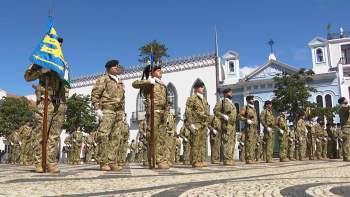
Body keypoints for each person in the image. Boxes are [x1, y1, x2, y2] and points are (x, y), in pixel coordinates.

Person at [24, 37, 69, 173]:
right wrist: (41, 71)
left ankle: (50, 163)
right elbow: (27, 76)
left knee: (54, 134)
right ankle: (39, 163)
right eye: (56, 44)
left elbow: (66, 84)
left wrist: (64, 101)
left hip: (58, 101)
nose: (59, 46)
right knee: (42, 133)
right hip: (45, 100)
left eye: (60, 44)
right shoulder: (41, 60)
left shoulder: (63, 63)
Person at [132, 66, 168, 169]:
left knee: (161, 138)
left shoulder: (163, 86)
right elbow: (134, 84)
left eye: (160, 70)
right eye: (157, 70)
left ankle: (160, 160)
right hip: (153, 112)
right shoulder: (150, 83)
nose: (160, 71)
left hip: (162, 113)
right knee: (153, 137)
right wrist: (148, 81)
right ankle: (152, 160)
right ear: (152, 73)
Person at [91, 60, 125, 171]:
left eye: (117, 66)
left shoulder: (120, 82)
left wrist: (122, 113)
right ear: (108, 68)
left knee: (116, 137)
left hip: (118, 112)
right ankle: (104, 162)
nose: (116, 67)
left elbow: (122, 98)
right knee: (104, 136)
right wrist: (97, 109)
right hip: (107, 111)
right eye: (114, 66)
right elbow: (95, 94)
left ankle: (112, 161)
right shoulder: (103, 80)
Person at [185, 81, 209, 168]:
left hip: (203, 124)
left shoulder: (204, 100)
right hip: (196, 123)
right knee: (196, 143)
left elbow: (206, 112)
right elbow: (188, 111)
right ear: (196, 89)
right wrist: (190, 124)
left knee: (202, 143)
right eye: (201, 87)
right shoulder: (192, 98)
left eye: (203, 87)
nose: (203, 89)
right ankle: (195, 161)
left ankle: (200, 159)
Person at [214, 88, 237, 166]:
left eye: (231, 92)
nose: (231, 93)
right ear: (225, 94)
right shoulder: (222, 102)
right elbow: (215, 111)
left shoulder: (232, 103)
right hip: (226, 125)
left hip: (233, 125)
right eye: (229, 92)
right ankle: (227, 159)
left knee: (232, 142)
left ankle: (230, 158)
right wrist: (223, 116)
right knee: (227, 141)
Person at [239, 96, 259, 164]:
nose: (253, 100)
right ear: (248, 100)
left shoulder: (253, 108)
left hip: (254, 128)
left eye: (253, 99)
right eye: (252, 99)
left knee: (253, 143)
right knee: (249, 142)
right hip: (249, 128)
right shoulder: (245, 108)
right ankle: (249, 158)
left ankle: (252, 158)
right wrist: (246, 120)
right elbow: (240, 116)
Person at [338, 97, 350, 161]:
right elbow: (348, 107)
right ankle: (346, 156)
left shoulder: (344, 107)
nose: (346, 100)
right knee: (346, 142)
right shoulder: (342, 107)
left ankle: (348, 155)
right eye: (345, 99)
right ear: (342, 102)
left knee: (348, 142)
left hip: (348, 126)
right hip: (346, 127)